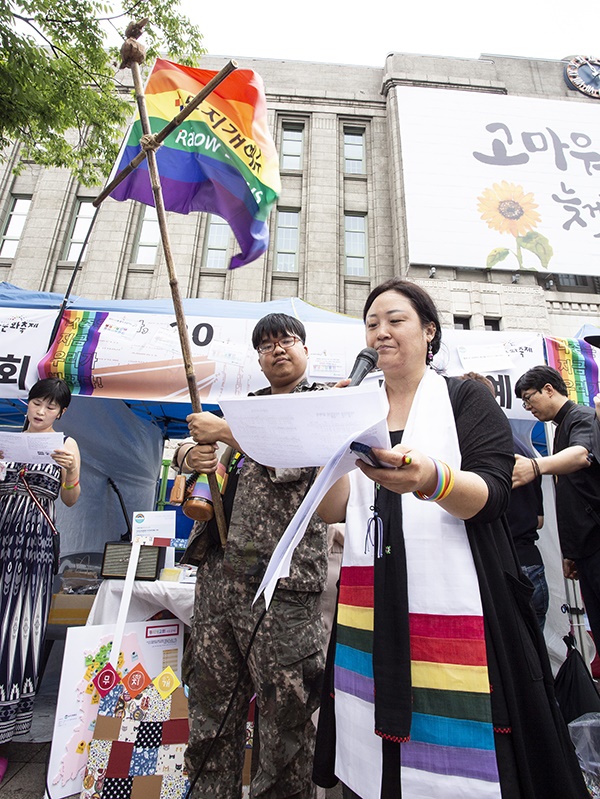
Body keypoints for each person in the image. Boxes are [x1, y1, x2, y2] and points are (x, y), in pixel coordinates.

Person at [313, 279, 587, 799]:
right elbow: (335, 510)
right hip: (370, 602)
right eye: (372, 324)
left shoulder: (464, 397)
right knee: (368, 743)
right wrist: (323, 451)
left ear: (430, 331)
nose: (381, 333)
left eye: (396, 321)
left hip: (464, 598)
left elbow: (493, 494)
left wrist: (431, 479)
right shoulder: (354, 407)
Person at [178, 313, 329, 798]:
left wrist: (224, 432)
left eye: (288, 340)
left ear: (306, 349)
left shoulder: (322, 405)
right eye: (266, 345)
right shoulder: (244, 410)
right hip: (219, 579)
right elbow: (207, 469)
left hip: (280, 586)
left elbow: (294, 461)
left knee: (285, 719)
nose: (278, 349)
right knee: (209, 710)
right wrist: (191, 458)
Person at [0, 378, 80, 759]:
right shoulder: (7, 442)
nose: (40, 411)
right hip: (3, 534)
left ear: (61, 413)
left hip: (34, 546)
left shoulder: (66, 445)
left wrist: (69, 473)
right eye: (36, 403)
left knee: (19, 632)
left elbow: (70, 499)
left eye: (50, 407)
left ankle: (5, 734)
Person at [513, 365, 600, 648]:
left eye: (529, 398)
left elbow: (581, 455)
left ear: (549, 389)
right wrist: (571, 552)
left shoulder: (583, 418)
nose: (528, 407)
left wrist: (536, 466)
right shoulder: (562, 426)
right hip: (585, 549)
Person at [459, 372, 549, 630]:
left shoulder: (477, 449)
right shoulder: (523, 447)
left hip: (502, 565)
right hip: (530, 561)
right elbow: (539, 520)